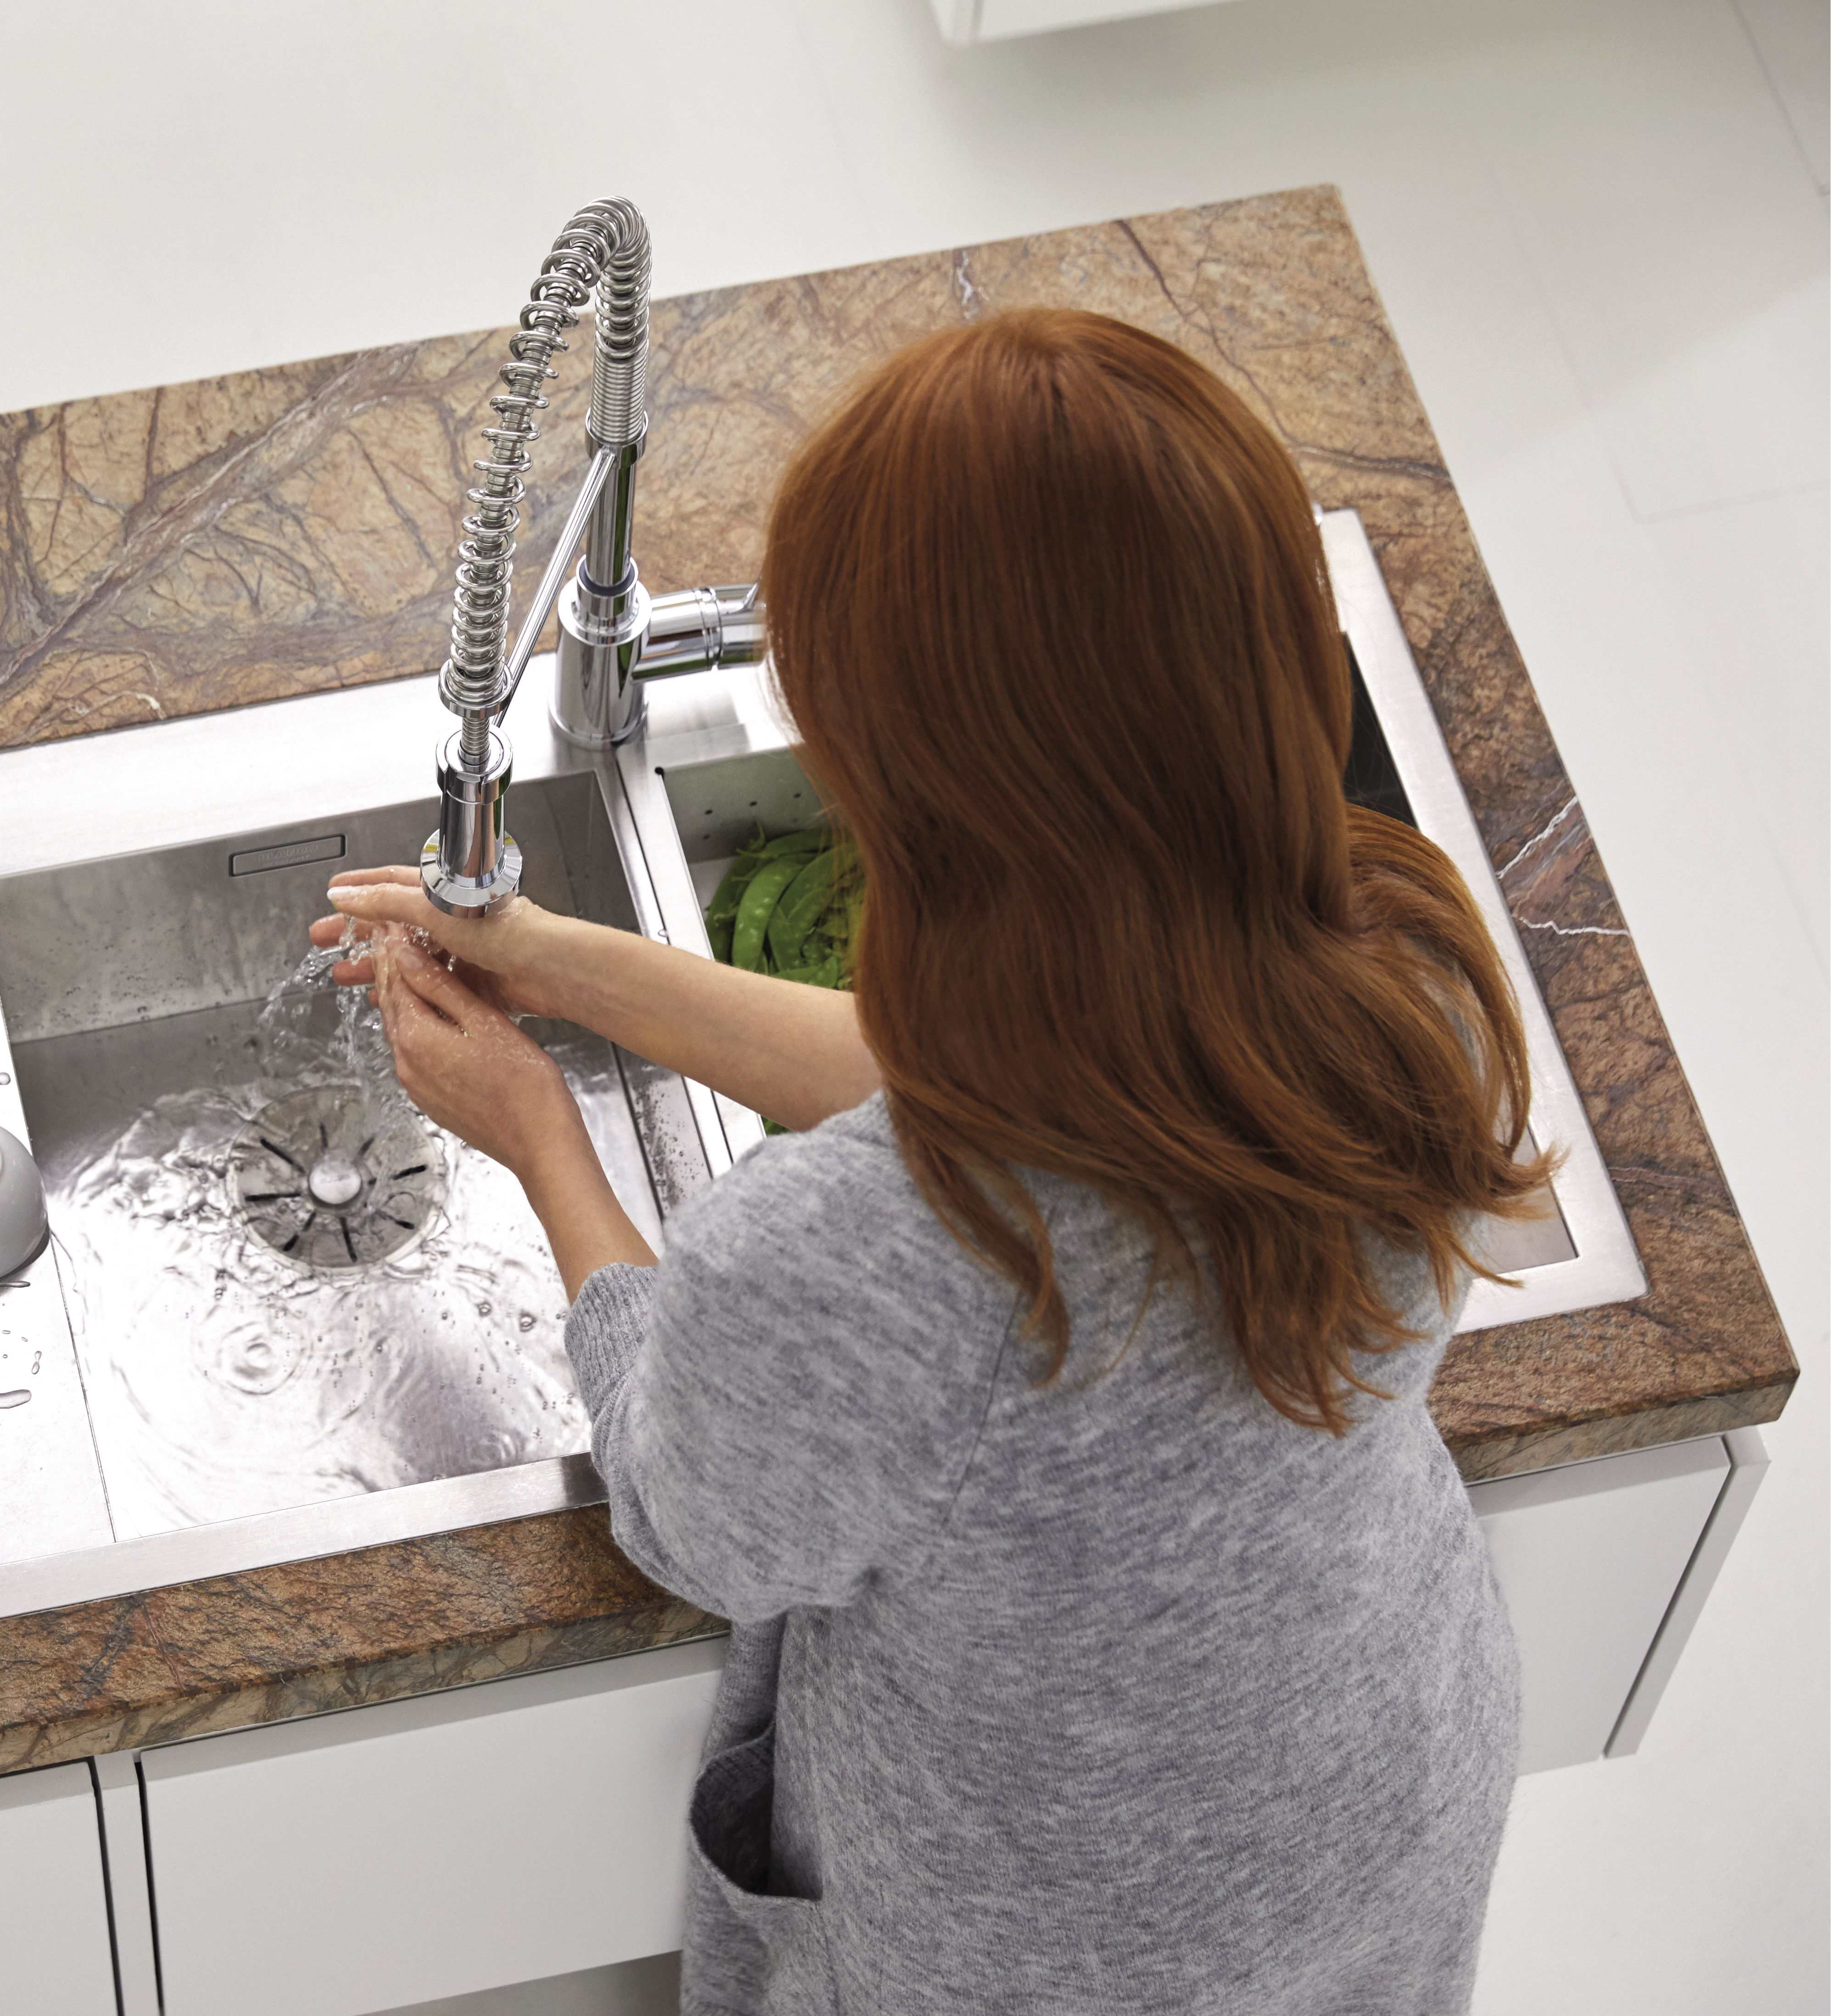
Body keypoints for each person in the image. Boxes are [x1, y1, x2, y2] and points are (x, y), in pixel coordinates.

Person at [313, 308, 1551, 2015]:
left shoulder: (867, 1254)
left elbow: (690, 1514)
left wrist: (545, 1139)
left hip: (1052, 1949)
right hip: (1381, 1796)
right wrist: (570, 963)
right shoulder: (1395, 963)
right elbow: (1031, 1092)